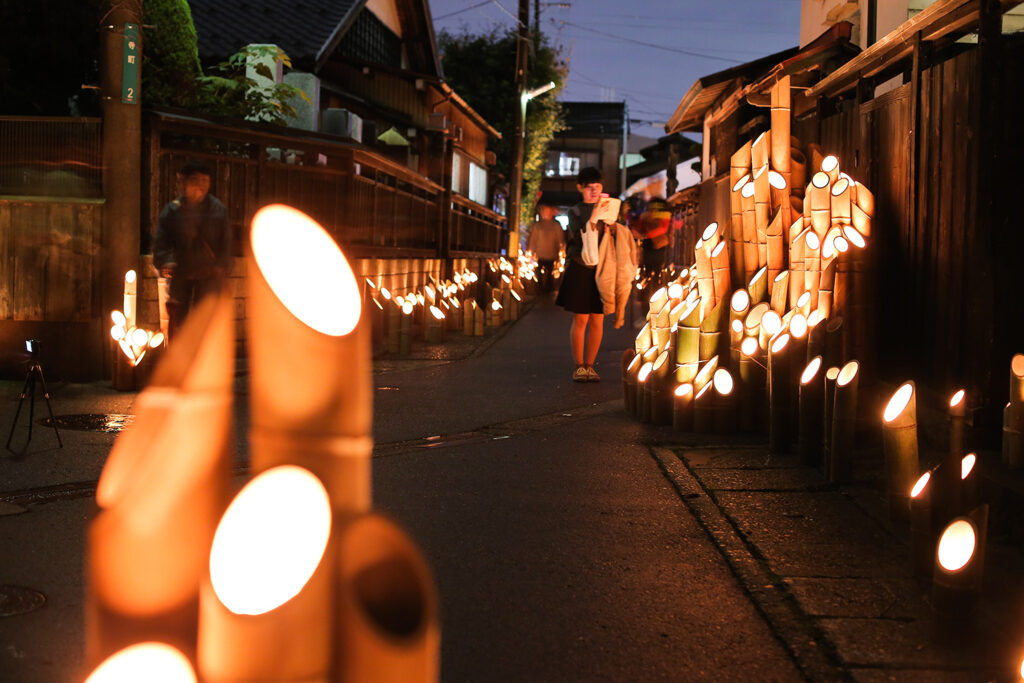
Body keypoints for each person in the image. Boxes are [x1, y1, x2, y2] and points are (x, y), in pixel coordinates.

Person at [555, 167, 636, 383]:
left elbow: (616, 236)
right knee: (581, 318)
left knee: (598, 319)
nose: (593, 191)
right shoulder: (575, 211)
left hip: (604, 270)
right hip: (580, 268)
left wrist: (613, 224)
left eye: (597, 187)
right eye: (589, 187)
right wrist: (594, 217)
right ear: (580, 188)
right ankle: (579, 365)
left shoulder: (608, 209)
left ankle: (590, 365)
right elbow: (577, 238)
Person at [153, 160, 232, 340]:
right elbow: (161, 242)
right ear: (185, 183)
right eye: (195, 180)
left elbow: (226, 243)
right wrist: (167, 262)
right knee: (179, 323)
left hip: (208, 277)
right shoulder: (173, 211)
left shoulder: (218, 210)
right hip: (182, 275)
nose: (200, 185)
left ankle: (203, 361)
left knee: (205, 322)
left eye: (204, 180)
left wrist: (222, 266)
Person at [525, 200, 566, 293]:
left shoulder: (556, 225)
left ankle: (548, 288)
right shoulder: (538, 225)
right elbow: (533, 239)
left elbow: (561, 239)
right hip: (540, 253)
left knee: (549, 271)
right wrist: (530, 250)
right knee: (539, 271)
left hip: (551, 253)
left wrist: (562, 250)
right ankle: (540, 288)